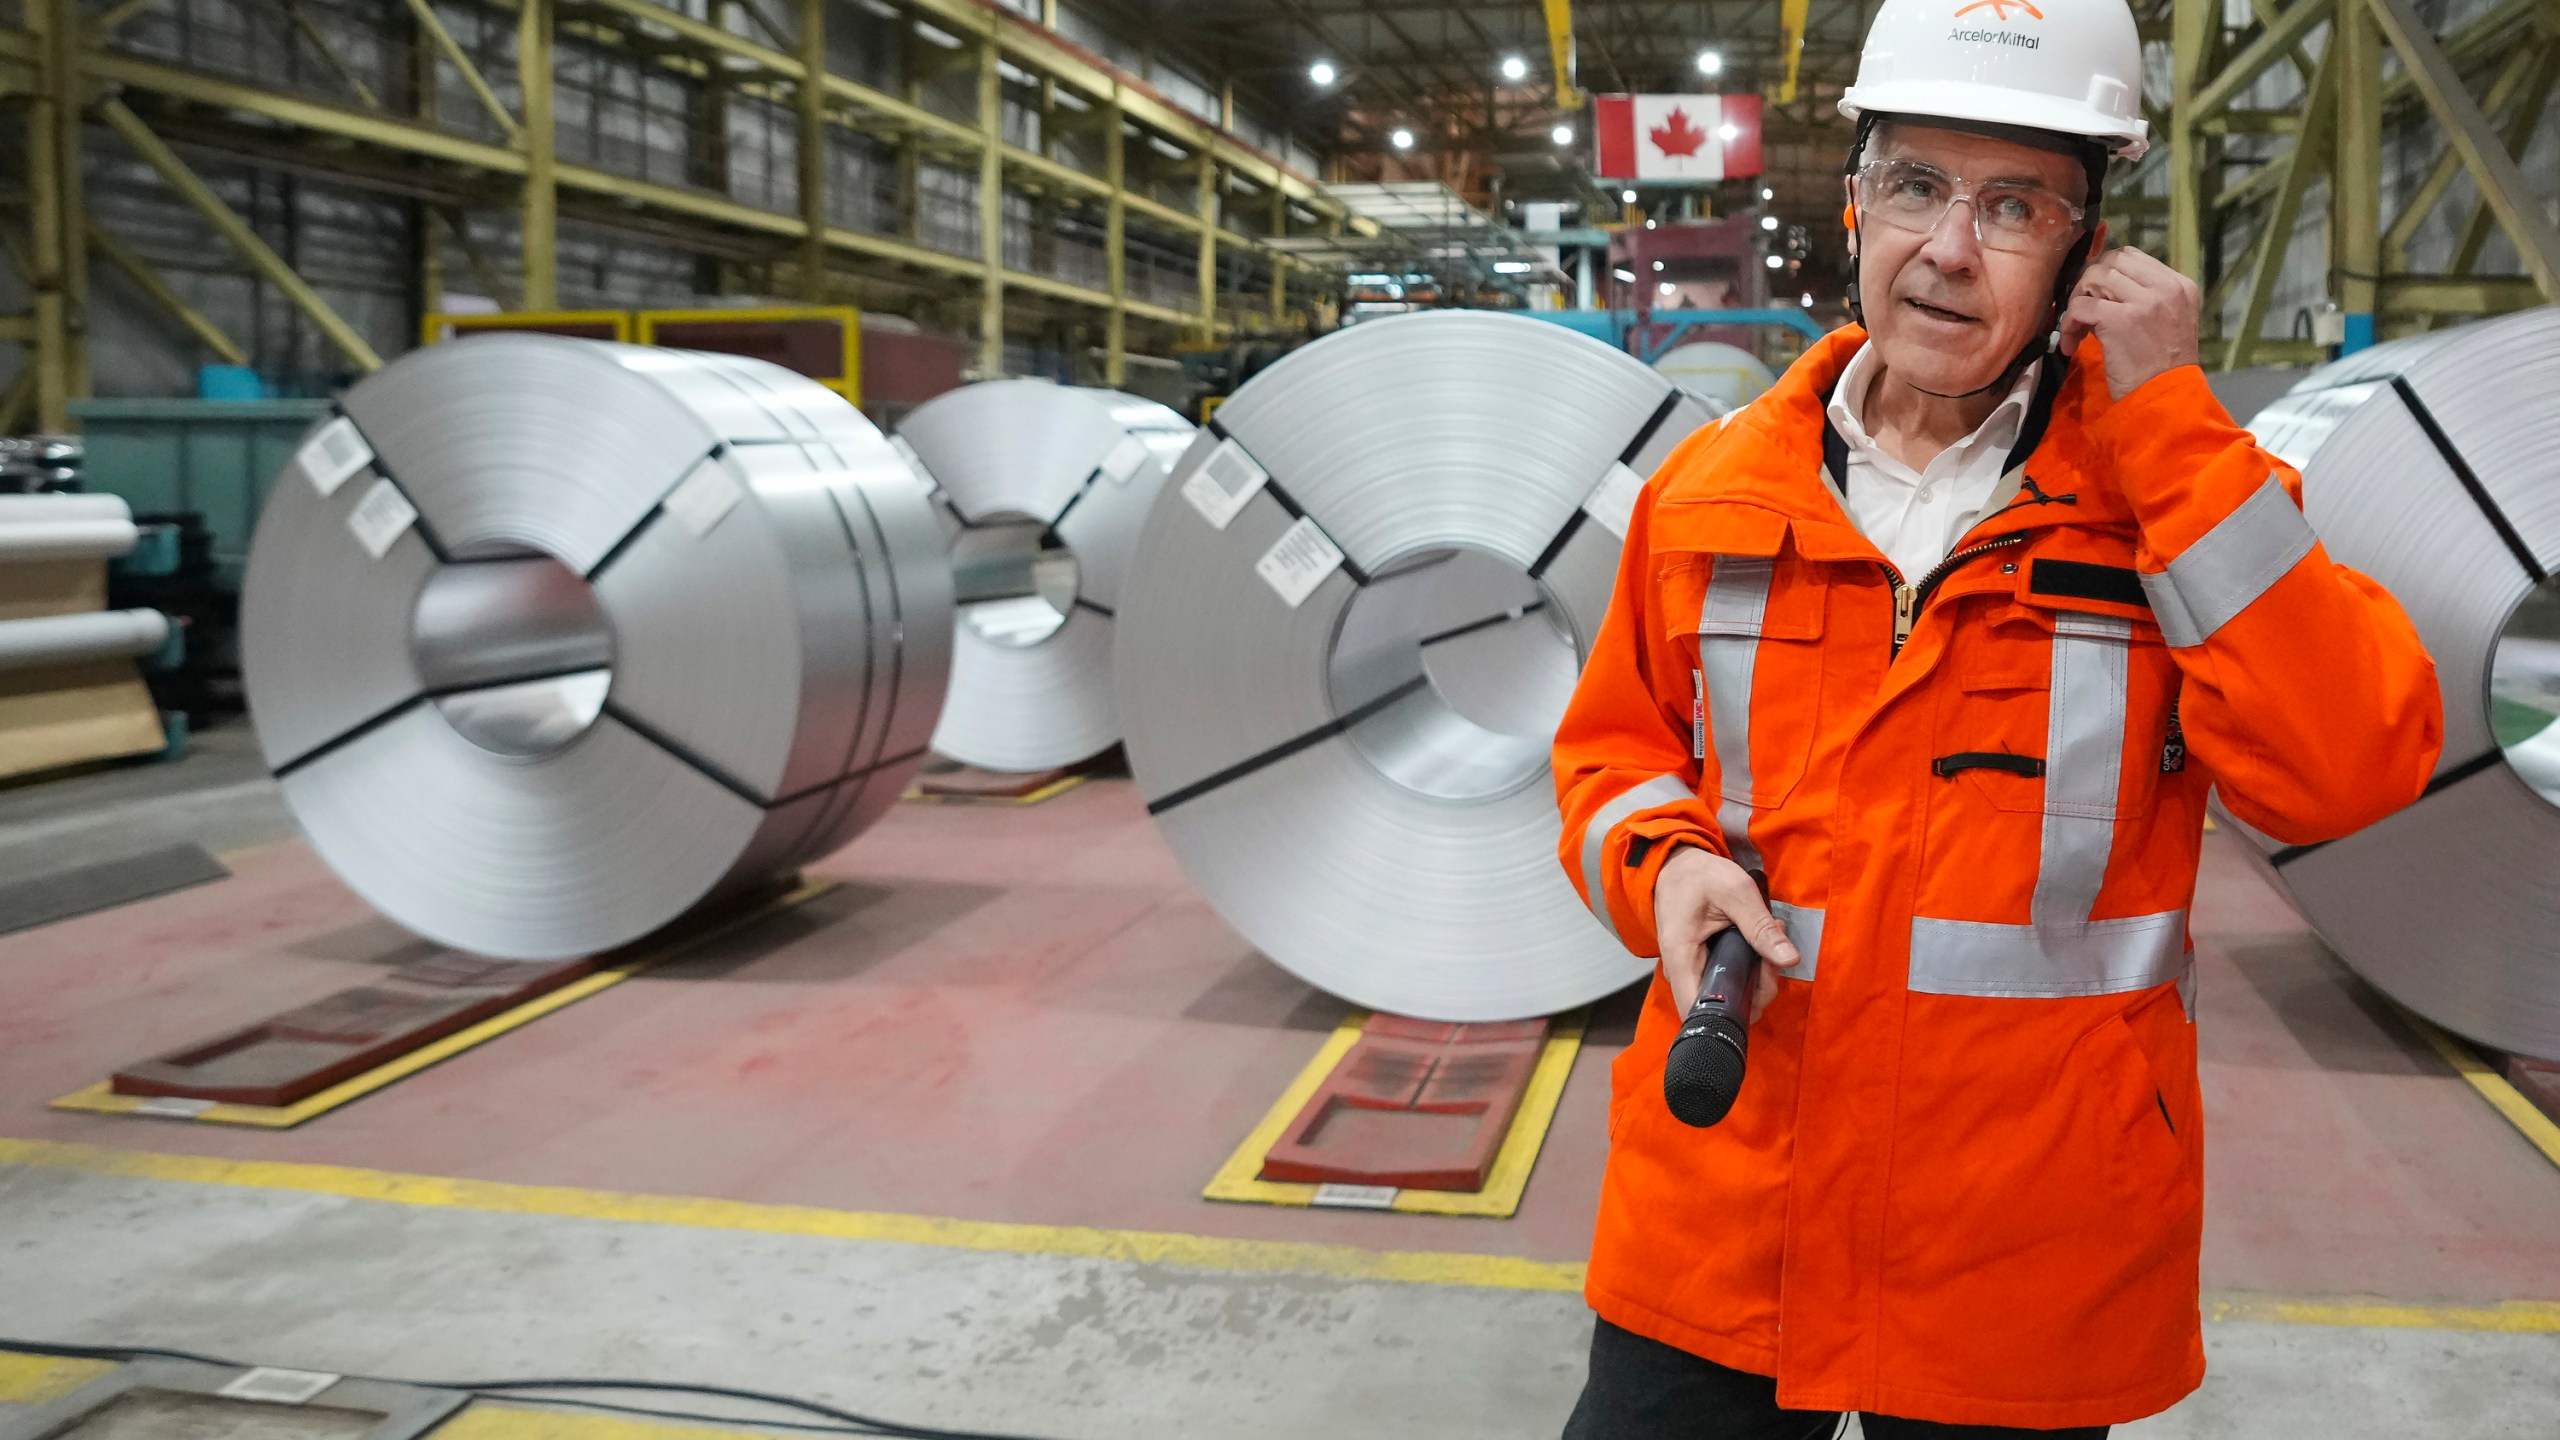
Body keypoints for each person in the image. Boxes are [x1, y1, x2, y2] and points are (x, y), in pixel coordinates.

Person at [1549, 0, 2445, 1432]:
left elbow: (2346, 770)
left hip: (2025, 1252)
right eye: (1915, 185)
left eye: (2014, 204)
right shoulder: (1711, 494)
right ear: (1855, 206)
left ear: (2091, 251)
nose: (1949, 248)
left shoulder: (2175, 510)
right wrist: (1667, 864)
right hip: (1727, 1207)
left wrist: (2171, 430)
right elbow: (1610, 760)